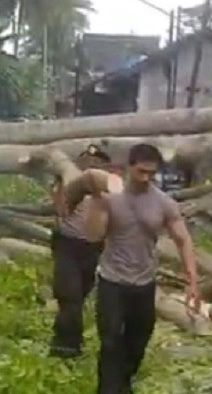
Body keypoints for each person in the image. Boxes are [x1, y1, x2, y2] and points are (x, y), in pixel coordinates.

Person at [73, 143, 200, 394]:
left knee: (137, 341)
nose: (146, 178)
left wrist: (192, 281)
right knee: (110, 341)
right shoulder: (111, 196)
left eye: (152, 174)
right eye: (141, 172)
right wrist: (97, 204)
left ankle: (123, 383)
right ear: (129, 167)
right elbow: (92, 236)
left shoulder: (163, 203)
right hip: (112, 281)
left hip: (144, 283)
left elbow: (183, 240)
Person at [49, 145, 122, 359]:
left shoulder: (112, 190)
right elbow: (60, 208)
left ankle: (72, 337)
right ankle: (65, 348)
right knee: (69, 296)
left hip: (93, 247)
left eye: (97, 162)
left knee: (80, 296)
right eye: (88, 162)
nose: (93, 166)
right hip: (67, 244)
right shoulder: (70, 184)